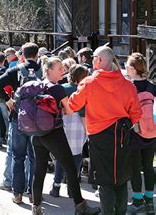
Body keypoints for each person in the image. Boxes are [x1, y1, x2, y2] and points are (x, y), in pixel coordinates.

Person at [69, 46, 142, 215]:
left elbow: (74, 104)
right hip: (122, 135)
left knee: (104, 181)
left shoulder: (89, 83)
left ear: (99, 60)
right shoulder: (128, 85)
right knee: (121, 179)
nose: (92, 59)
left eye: (93, 57)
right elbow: (136, 114)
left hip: (99, 136)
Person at [29, 57, 100, 215]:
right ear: (49, 71)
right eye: (59, 68)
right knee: (70, 168)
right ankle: (80, 206)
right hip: (54, 133)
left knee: (39, 170)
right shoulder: (57, 89)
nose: (63, 70)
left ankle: (36, 207)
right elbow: (69, 111)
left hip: (37, 134)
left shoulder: (35, 85)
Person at [0, 42, 40, 204]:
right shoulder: (43, 70)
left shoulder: (16, 70)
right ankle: (34, 193)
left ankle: (17, 194)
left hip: (18, 118)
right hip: (38, 121)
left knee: (18, 157)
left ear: (22, 55)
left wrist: (8, 100)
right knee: (34, 158)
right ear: (37, 55)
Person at [50, 64, 89, 198]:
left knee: (61, 158)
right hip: (77, 126)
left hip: (62, 125)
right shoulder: (82, 90)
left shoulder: (61, 88)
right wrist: (88, 131)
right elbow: (83, 114)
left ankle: (56, 187)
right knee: (76, 158)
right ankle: (72, 189)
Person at [125, 53, 156, 213]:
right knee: (149, 166)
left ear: (132, 69)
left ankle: (138, 201)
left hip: (134, 133)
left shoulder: (128, 87)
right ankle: (150, 200)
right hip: (152, 132)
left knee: (135, 168)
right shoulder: (153, 87)